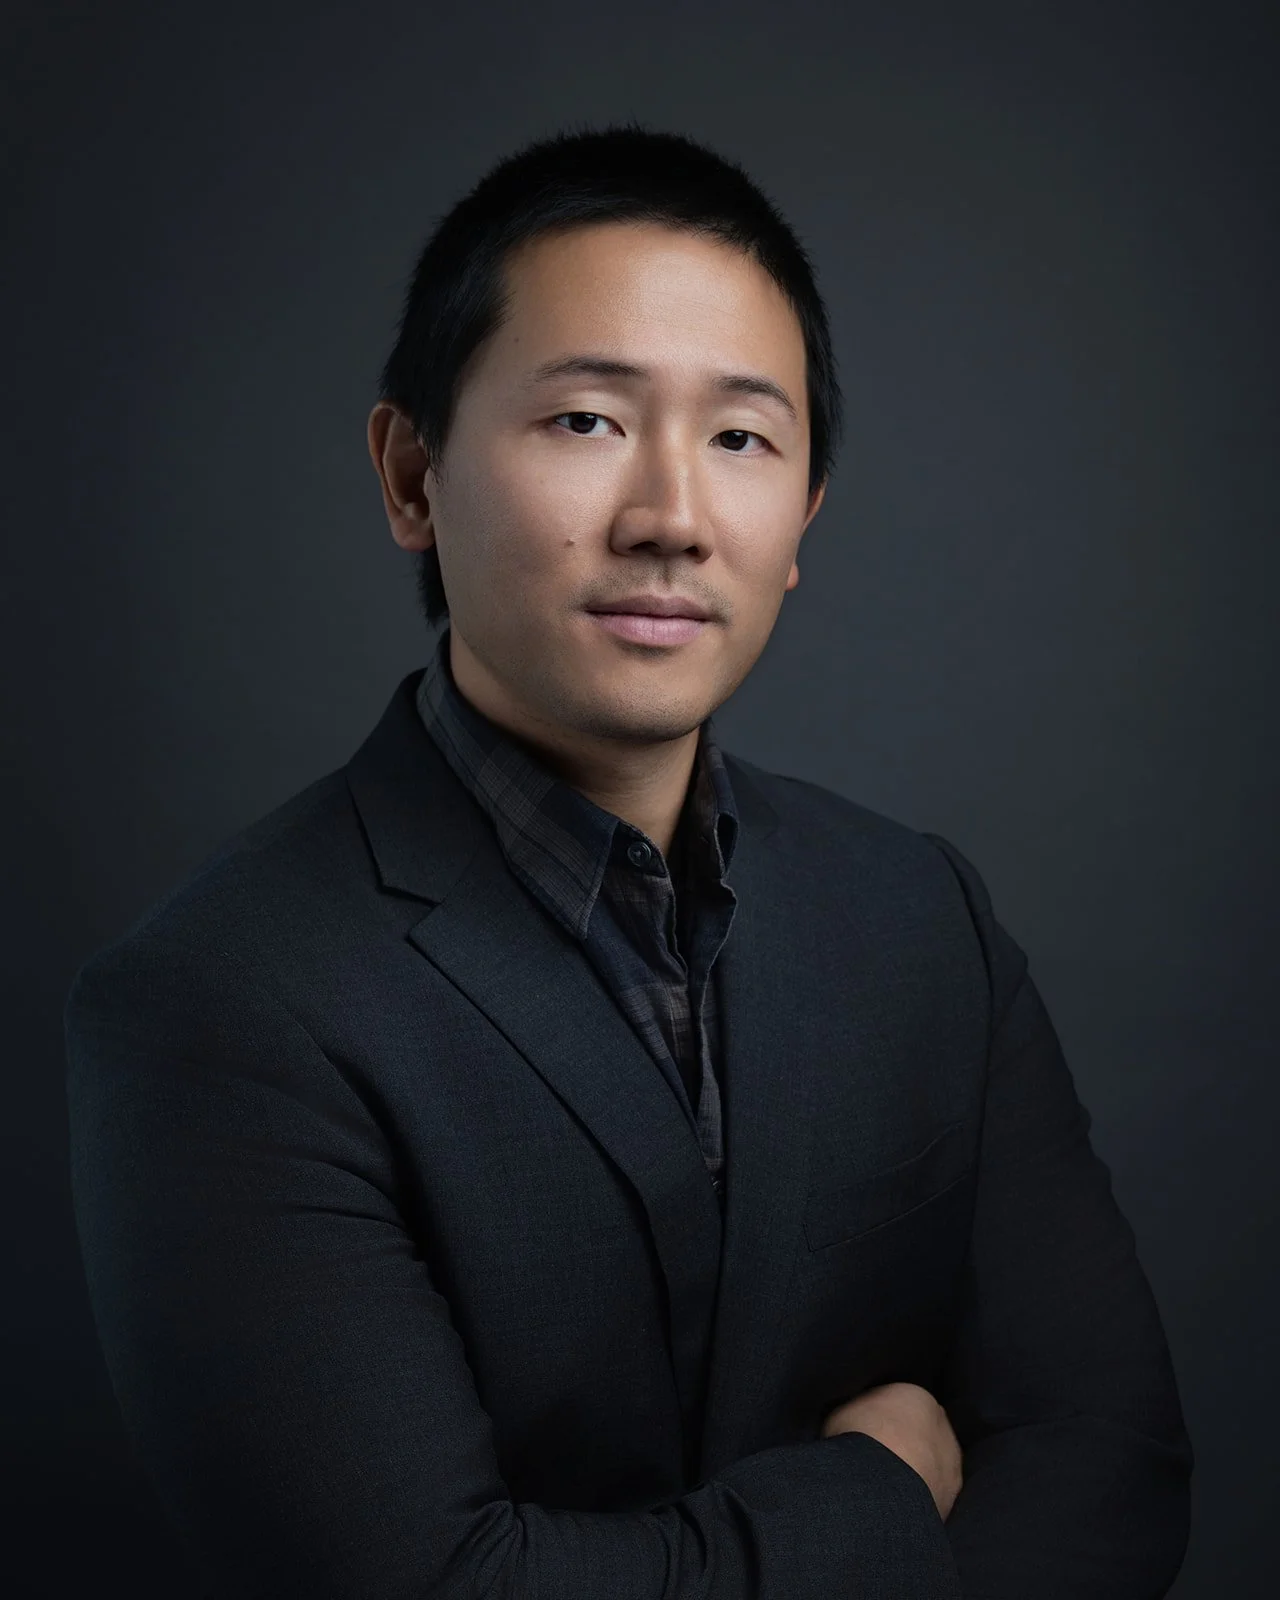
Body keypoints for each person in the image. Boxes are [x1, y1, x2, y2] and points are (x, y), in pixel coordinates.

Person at [65, 124, 1193, 1598]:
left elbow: (1109, 1466)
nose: (671, 518)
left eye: (741, 439)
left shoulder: (921, 916)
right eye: (588, 419)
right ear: (412, 475)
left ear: (802, 520)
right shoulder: (221, 1004)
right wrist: (877, 1492)